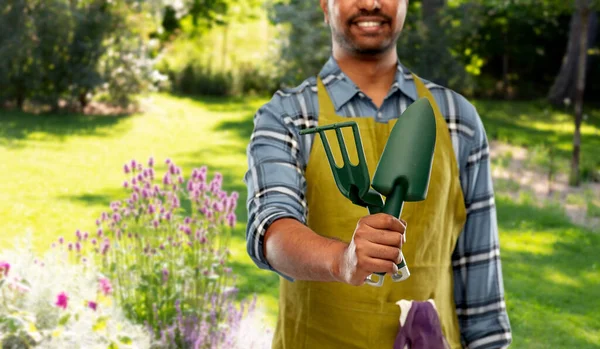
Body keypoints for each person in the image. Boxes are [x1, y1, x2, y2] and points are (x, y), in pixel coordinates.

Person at [244, 0, 512, 348]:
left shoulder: (456, 118)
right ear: (326, 5)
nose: (371, 3)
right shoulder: (288, 115)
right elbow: (272, 231)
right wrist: (343, 260)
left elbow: (478, 268)